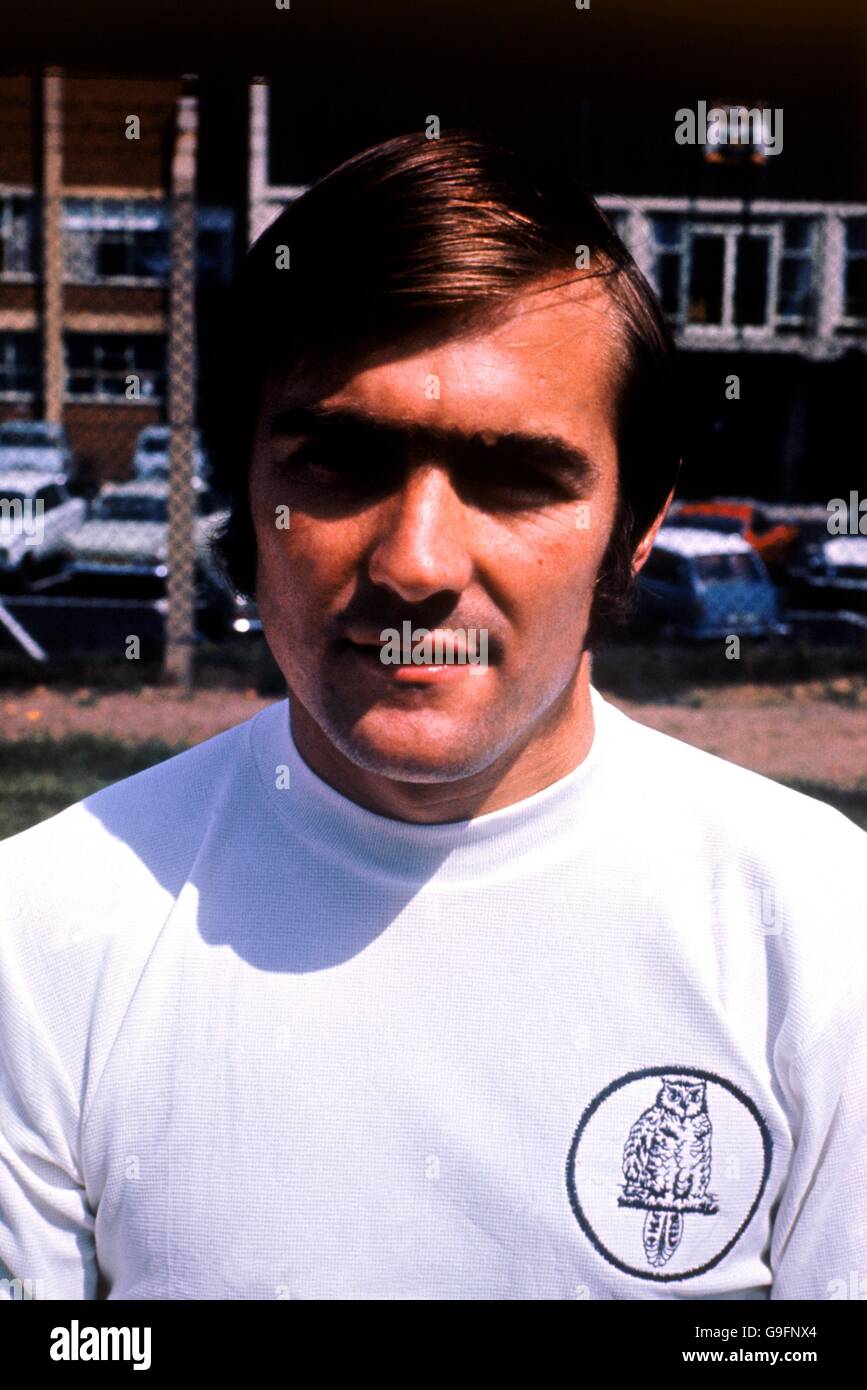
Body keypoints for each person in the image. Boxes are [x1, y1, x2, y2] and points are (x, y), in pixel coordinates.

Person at [1, 131, 864, 1301]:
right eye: (341, 462)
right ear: (246, 495)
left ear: (639, 524)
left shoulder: (819, 928)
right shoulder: (40, 934)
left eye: (514, 476)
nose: (416, 562)